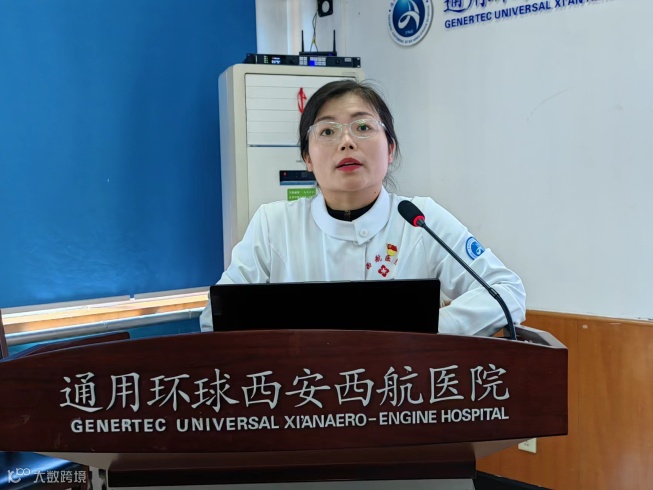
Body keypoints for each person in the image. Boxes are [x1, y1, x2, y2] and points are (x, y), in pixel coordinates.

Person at [200, 79, 525, 336]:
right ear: (308, 158)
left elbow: (507, 292)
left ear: (391, 149)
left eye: (363, 127)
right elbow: (215, 318)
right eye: (328, 131)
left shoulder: (419, 220)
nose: (347, 142)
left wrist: (426, 330)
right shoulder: (274, 225)